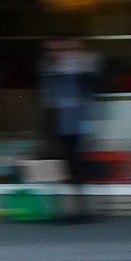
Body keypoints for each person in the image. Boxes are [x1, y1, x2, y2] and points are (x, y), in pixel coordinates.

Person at [40, 36, 102, 222]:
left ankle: (80, 206)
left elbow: (90, 80)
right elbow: (48, 96)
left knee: (76, 164)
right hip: (62, 124)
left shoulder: (78, 69)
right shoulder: (53, 70)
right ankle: (74, 206)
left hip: (75, 125)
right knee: (67, 165)